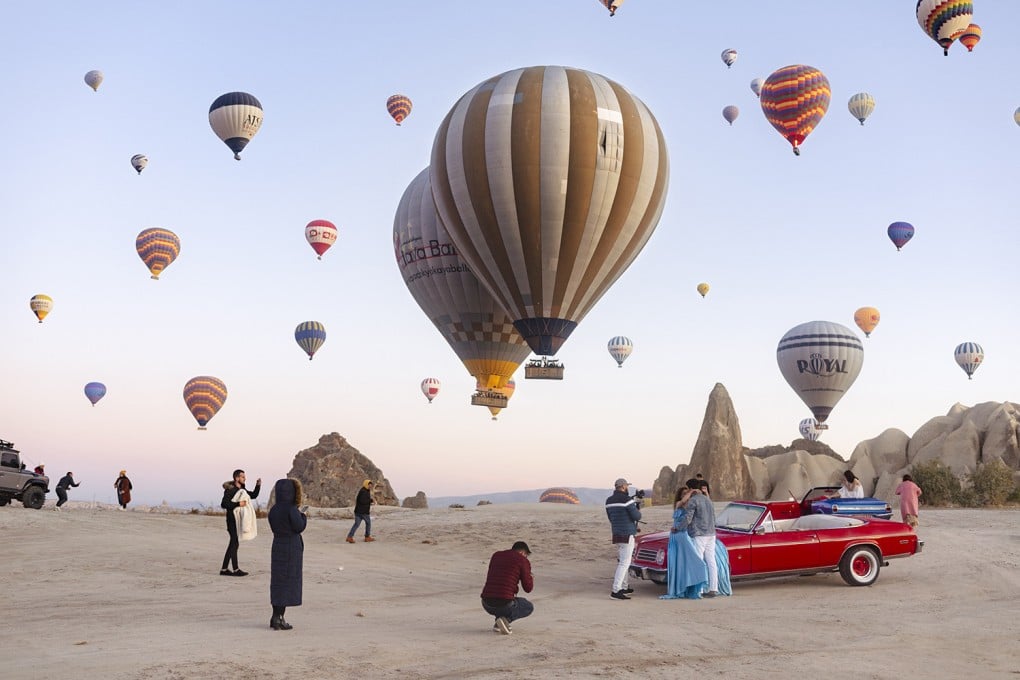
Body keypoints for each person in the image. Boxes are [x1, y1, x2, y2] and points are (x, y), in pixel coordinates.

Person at [268, 478, 307, 631]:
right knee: (288, 581)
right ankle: (279, 618)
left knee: (278, 581)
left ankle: (275, 616)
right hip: (291, 547)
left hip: (277, 545)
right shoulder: (291, 509)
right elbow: (299, 526)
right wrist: (303, 516)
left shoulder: (274, 509)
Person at [660, 487, 708, 600]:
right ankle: (681, 589)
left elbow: (705, 503)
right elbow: (682, 501)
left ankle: (691, 587)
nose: (686, 496)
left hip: (685, 534)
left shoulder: (692, 505)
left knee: (689, 561)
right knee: (680, 562)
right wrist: (690, 492)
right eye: (683, 494)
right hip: (677, 535)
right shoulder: (679, 504)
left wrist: (703, 493)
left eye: (687, 494)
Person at [675, 478, 719, 598]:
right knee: (711, 561)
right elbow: (713, 517)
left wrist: (678, 528)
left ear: (690, 488)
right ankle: (713, 588)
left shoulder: (693, 501)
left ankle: (698, 591)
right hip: (711, 533)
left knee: (698, 561)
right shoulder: (708, 500)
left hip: (699, 534)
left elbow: (688, 518)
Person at [480, 540, 534, 635]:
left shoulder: (496, 555)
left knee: (501, 600)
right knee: (527, 606)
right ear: (522, 552)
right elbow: (528, 588)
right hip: (504, 602)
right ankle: (506, 620)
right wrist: (530, 577)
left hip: (486, 603)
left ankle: (499, 622)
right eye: (526, 555)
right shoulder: (522, 560)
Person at [605, 477, 641, 600]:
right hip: (627, 534)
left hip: (617, 533)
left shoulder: (608, 501)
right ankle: (615, 590)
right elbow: (637, 515)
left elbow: (611, 517)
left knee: (622, 561)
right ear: (623, 486)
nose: (628, 488)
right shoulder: (626, 500)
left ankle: (624, 587)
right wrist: (636, 506)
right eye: (627, 486)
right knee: (625, 563)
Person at [220, 469, 261, 576]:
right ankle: (235, 569)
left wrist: (258, 485)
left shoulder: (241, 489)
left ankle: (224, 569)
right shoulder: (231, 490)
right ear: (237, 478)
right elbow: (224, 504)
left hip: (238, 520)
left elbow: (253, 495)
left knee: (233, 543)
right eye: (242, 477)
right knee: (234, 543)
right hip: (232, 520)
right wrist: (238, 504)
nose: (245, 478)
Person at [345, 479, 375, 543]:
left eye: (371, 485)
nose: (370, 486)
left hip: (358, 511)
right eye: (369, 484)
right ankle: (367, 537)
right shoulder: (364, 491)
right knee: (368, 523)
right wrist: (370, 501)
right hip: (363, 512)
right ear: (366, 484)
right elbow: (362, 501)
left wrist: (370, 500)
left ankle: (349, 537)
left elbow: (364, 499)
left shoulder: (365, 490)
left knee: (356, 524)